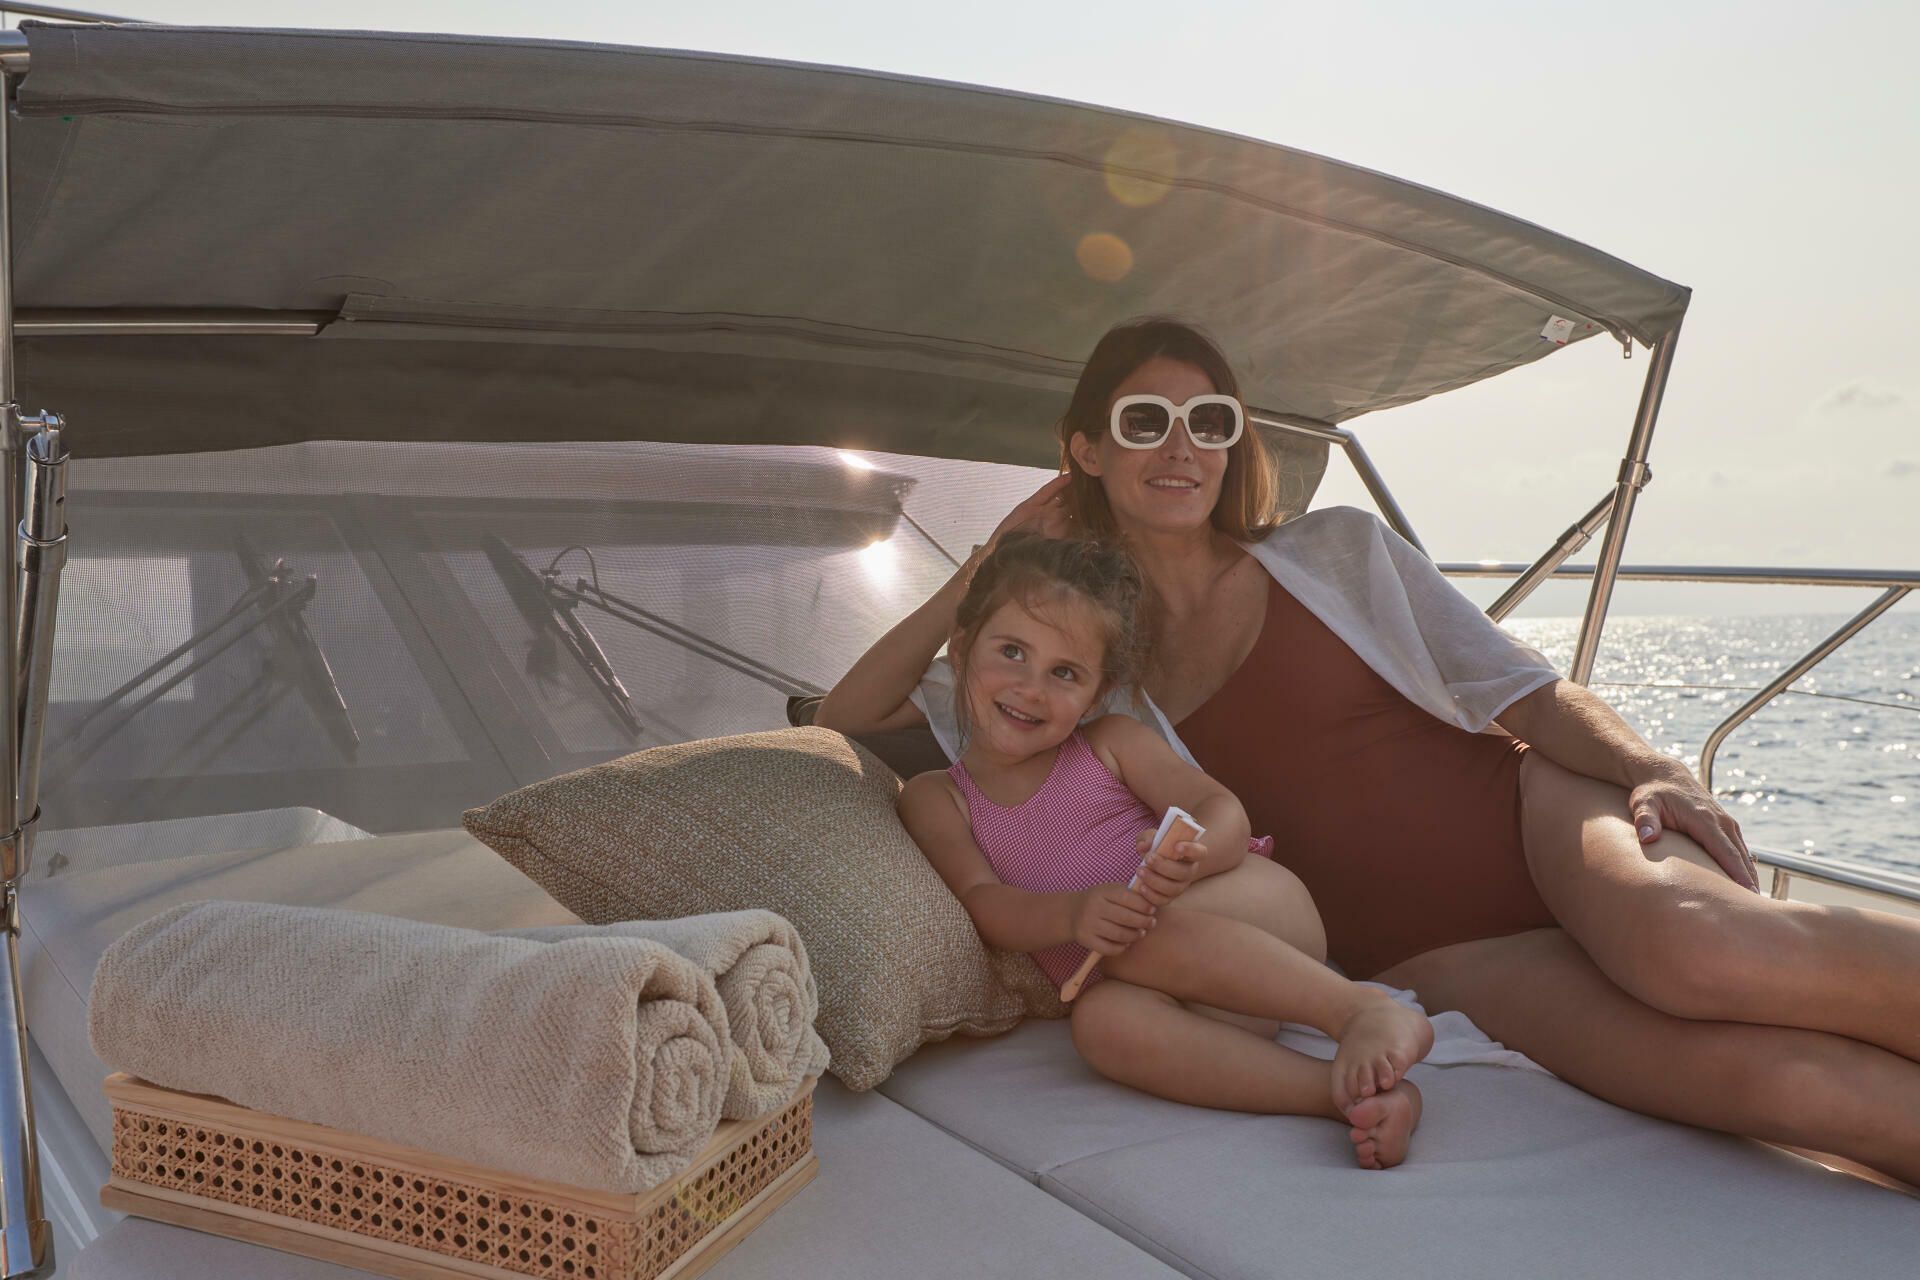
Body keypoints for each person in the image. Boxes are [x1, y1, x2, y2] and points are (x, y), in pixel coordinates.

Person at [820, 317, 1920, 1187]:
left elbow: (1525, 693)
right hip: (1426, 961)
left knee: (1703, 954)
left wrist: (1653, 768)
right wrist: (986, 568)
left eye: (1211, 420)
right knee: (1776, 1084)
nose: (1182, 445)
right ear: (1086, 449)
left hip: (1533, 820)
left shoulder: (1336, 551)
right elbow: (845, 718)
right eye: (1146, 418)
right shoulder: (1079, 672)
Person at [895, 531, 1433, 1168]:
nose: (1031, 687)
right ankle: (1347, 1096)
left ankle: (1359, 1010)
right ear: (960, 651)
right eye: (1011, 651)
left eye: (1064, 672)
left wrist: (1195, 855)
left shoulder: (1110, 742)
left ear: (1095, 695)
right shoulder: (938, 797)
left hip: (1258, 915)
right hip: (1195, 997)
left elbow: (1222, 810)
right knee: (1100, 1026)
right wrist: (1072, 916)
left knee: (1136, 938)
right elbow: (985, 901)